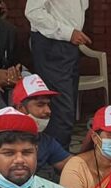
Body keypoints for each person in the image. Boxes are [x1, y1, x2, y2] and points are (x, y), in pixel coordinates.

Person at [0, 74, 73, 180]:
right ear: (21, 108)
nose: (48, 111)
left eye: (48, 105)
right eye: (40, 105)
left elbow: (73, 166)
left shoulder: (45, 140)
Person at [26, 0, 89, 148]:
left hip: (69, 44)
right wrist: (68, 33)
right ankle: (56, 159)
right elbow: (33, 12)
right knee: (62, 110)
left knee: (67, 108)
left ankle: (57, 154)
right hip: (53, 43)